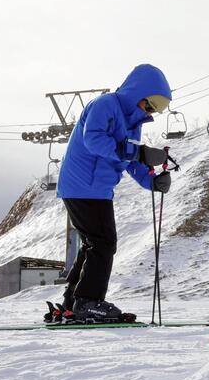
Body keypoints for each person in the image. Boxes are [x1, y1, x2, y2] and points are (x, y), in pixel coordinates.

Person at [55, 64, 173, 321]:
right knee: (104, 243)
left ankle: (73, 302)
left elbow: (130, 159)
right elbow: (94, 140)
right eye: (150, 104)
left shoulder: (134, 123)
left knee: (94, 243)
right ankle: (89, 301)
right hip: (83, 185)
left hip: (95, 189)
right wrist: (139, 152)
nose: (150, 111)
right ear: (138, 93)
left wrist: (152, 181)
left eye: (156, 109)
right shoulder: (105, 105)